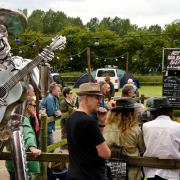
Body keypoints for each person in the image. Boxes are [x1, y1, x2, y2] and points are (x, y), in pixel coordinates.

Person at [66, 82, 111, 180]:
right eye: (96, 97)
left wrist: (101, 122)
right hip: (90, 175)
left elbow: (90, 142)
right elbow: (105, 153)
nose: (99, 101)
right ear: (86, 98)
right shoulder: (89, 122)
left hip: (73, 174)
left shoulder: (71, 118)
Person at [104, 97, 145, 180]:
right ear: (131, 113)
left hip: (111, 169)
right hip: (131, 169)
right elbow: (142, 149)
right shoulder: (135, 129)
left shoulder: (106, 127)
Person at [143, 97, 180, 180]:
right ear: (170, 112)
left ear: (154, 112)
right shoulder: (178, 127)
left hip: (151, 172)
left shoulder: (146, 126)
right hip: (173, 173)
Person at [6, 97, 41, 180]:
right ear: (28, 106)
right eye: (34, 105)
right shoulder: (23, 119)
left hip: (10, 162)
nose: (35, 107)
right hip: (22, 163)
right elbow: (28, 134)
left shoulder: (11, 116)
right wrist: (33, 148)